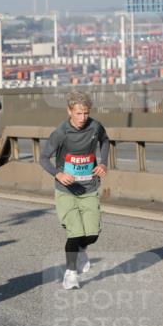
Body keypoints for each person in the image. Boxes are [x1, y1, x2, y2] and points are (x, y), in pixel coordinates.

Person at [38, 90, 110, 290]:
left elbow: (105, 141)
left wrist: (103, 164)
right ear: (69, 111)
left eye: (86, 113)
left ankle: (81, 250)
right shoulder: (61, 132)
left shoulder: (95, 127)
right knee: (75, 232)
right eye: (78, 113)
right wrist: (58, 174)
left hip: (89, 187)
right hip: (66, 190)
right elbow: (43, 158)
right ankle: (70, 274)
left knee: (92, 234)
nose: (82, 118)